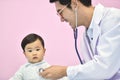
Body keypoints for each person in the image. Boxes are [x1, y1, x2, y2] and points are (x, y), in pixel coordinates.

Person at [40, 0, 120, 80]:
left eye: (60, 12)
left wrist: (64, 71)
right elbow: (90, 73)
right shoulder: (86, 36)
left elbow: (105, 68)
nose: (61, 19)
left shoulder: (114, 19)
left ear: (74, 4)